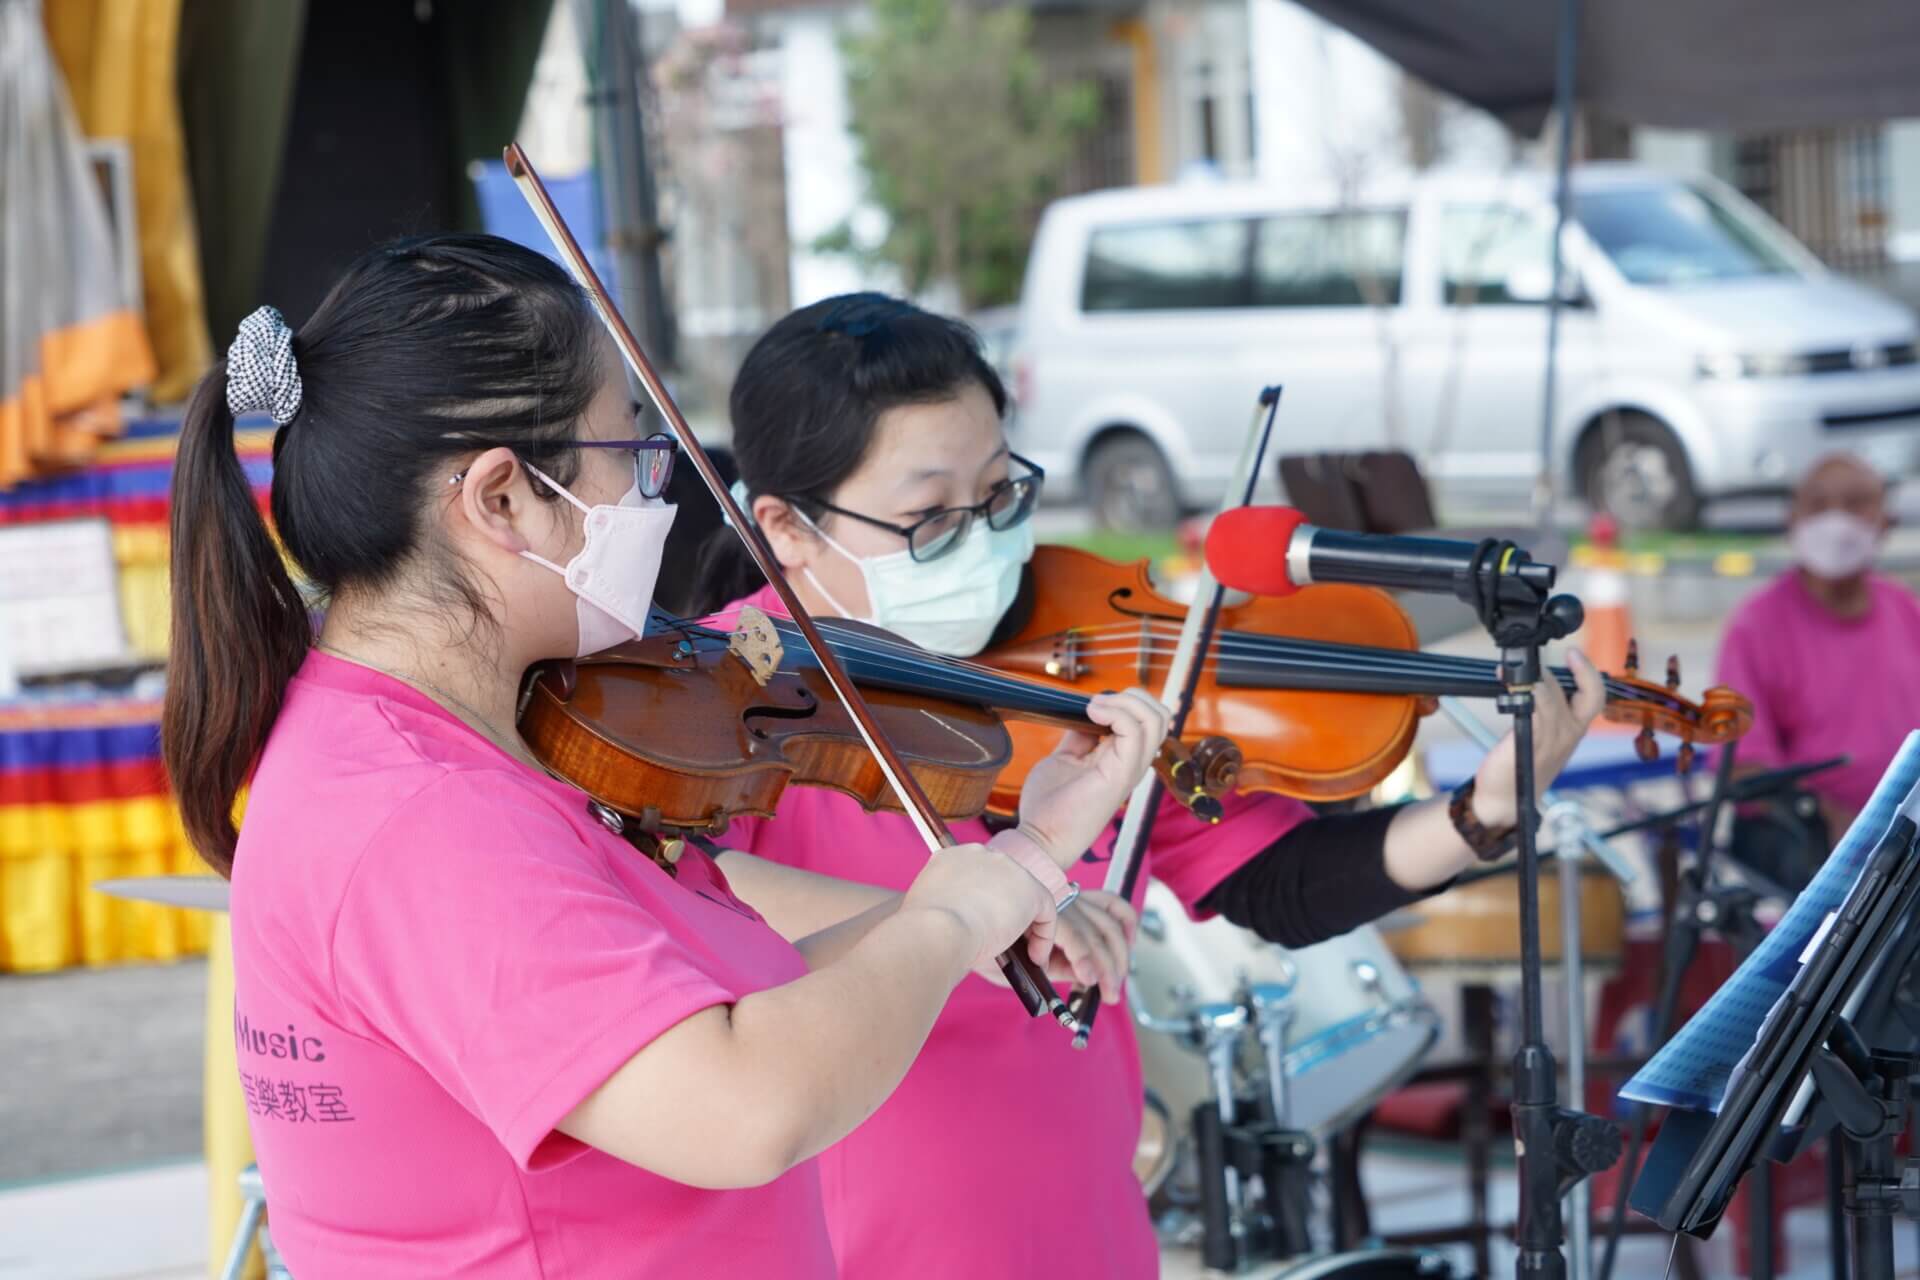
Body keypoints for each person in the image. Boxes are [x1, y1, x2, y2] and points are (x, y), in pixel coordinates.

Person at [159, 236, 1174, 1277]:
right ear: (502, 499)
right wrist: (956, 911)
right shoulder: (416, 815)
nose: (661, 499)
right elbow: (741, 1100)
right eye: (634, 458)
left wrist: (1014, 870)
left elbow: (732, 995)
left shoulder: (454, 747)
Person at [686, 291, 1608, 1279]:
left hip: (1082, 1227)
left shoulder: (1071, 666)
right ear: (783, 526)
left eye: (999, 496)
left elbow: (1277, 882)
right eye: (928, 518)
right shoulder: (704, 694)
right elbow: (678, 904)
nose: (984, 540)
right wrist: (959, 920)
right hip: (847, 1241)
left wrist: (1486, 811)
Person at [1715, 451, 1920, 879]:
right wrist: (1833, 819)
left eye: (1855, 502)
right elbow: (1744, 767)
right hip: (1811, 850)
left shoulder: (1904, 609)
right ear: (1793, 519)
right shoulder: (1757, 625)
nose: (1836, 520)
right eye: (1819, 504)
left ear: (1886, 520)